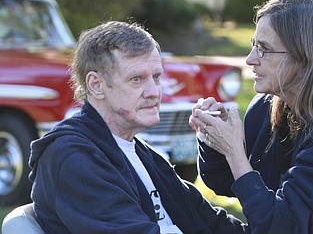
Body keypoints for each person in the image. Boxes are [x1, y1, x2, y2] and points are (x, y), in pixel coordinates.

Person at [28, 20, 249, 234]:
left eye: (156, 77)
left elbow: (207, 219)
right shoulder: (70, 156)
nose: (154, 91)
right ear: (96, 85)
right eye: (136, 79)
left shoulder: (140, 152)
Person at [189, 0, 313, 234]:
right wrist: (215, 138)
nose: (250, 60)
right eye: (253, 45)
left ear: (305, 57)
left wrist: (234, 152)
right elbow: (227, 183)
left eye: (264, 49)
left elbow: (285, 226)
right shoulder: (265, 106)